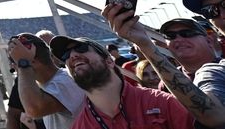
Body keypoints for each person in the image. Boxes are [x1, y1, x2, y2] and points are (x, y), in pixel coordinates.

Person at [104, 1, 225, 129]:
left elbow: (214, 116)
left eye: (187, 33)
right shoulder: (165, 84)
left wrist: (146, 45)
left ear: (209, 40)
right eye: (170, 36)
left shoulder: (222, 69)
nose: (178, 39)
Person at [49, 35, 194, 129]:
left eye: (81, 48)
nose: (73, 55)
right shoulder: (80, 126)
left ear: (109, 61)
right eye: (66, 54)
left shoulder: (162, 103)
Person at [8, 33, 85, 129]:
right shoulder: (55, 82)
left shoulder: (66, 81)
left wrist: (23, 63)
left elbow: (34, 110)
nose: (14, 67)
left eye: (14, 62)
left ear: (33, 61)